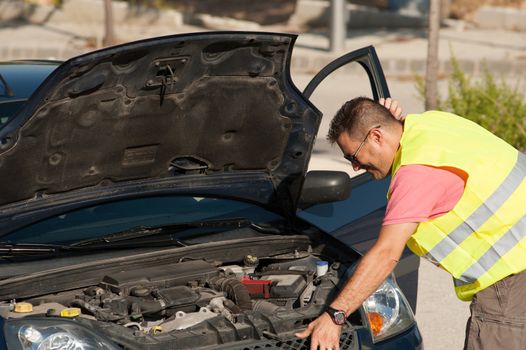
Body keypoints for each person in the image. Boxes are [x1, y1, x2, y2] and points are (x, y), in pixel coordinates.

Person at [296, 96, 526, 350]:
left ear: (376, 136)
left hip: (511, 277)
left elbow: (386, 254)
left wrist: (335, 316)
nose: (356, 166)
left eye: (354, 156)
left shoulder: (416, 173)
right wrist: (393, 120)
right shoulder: (433, 122)